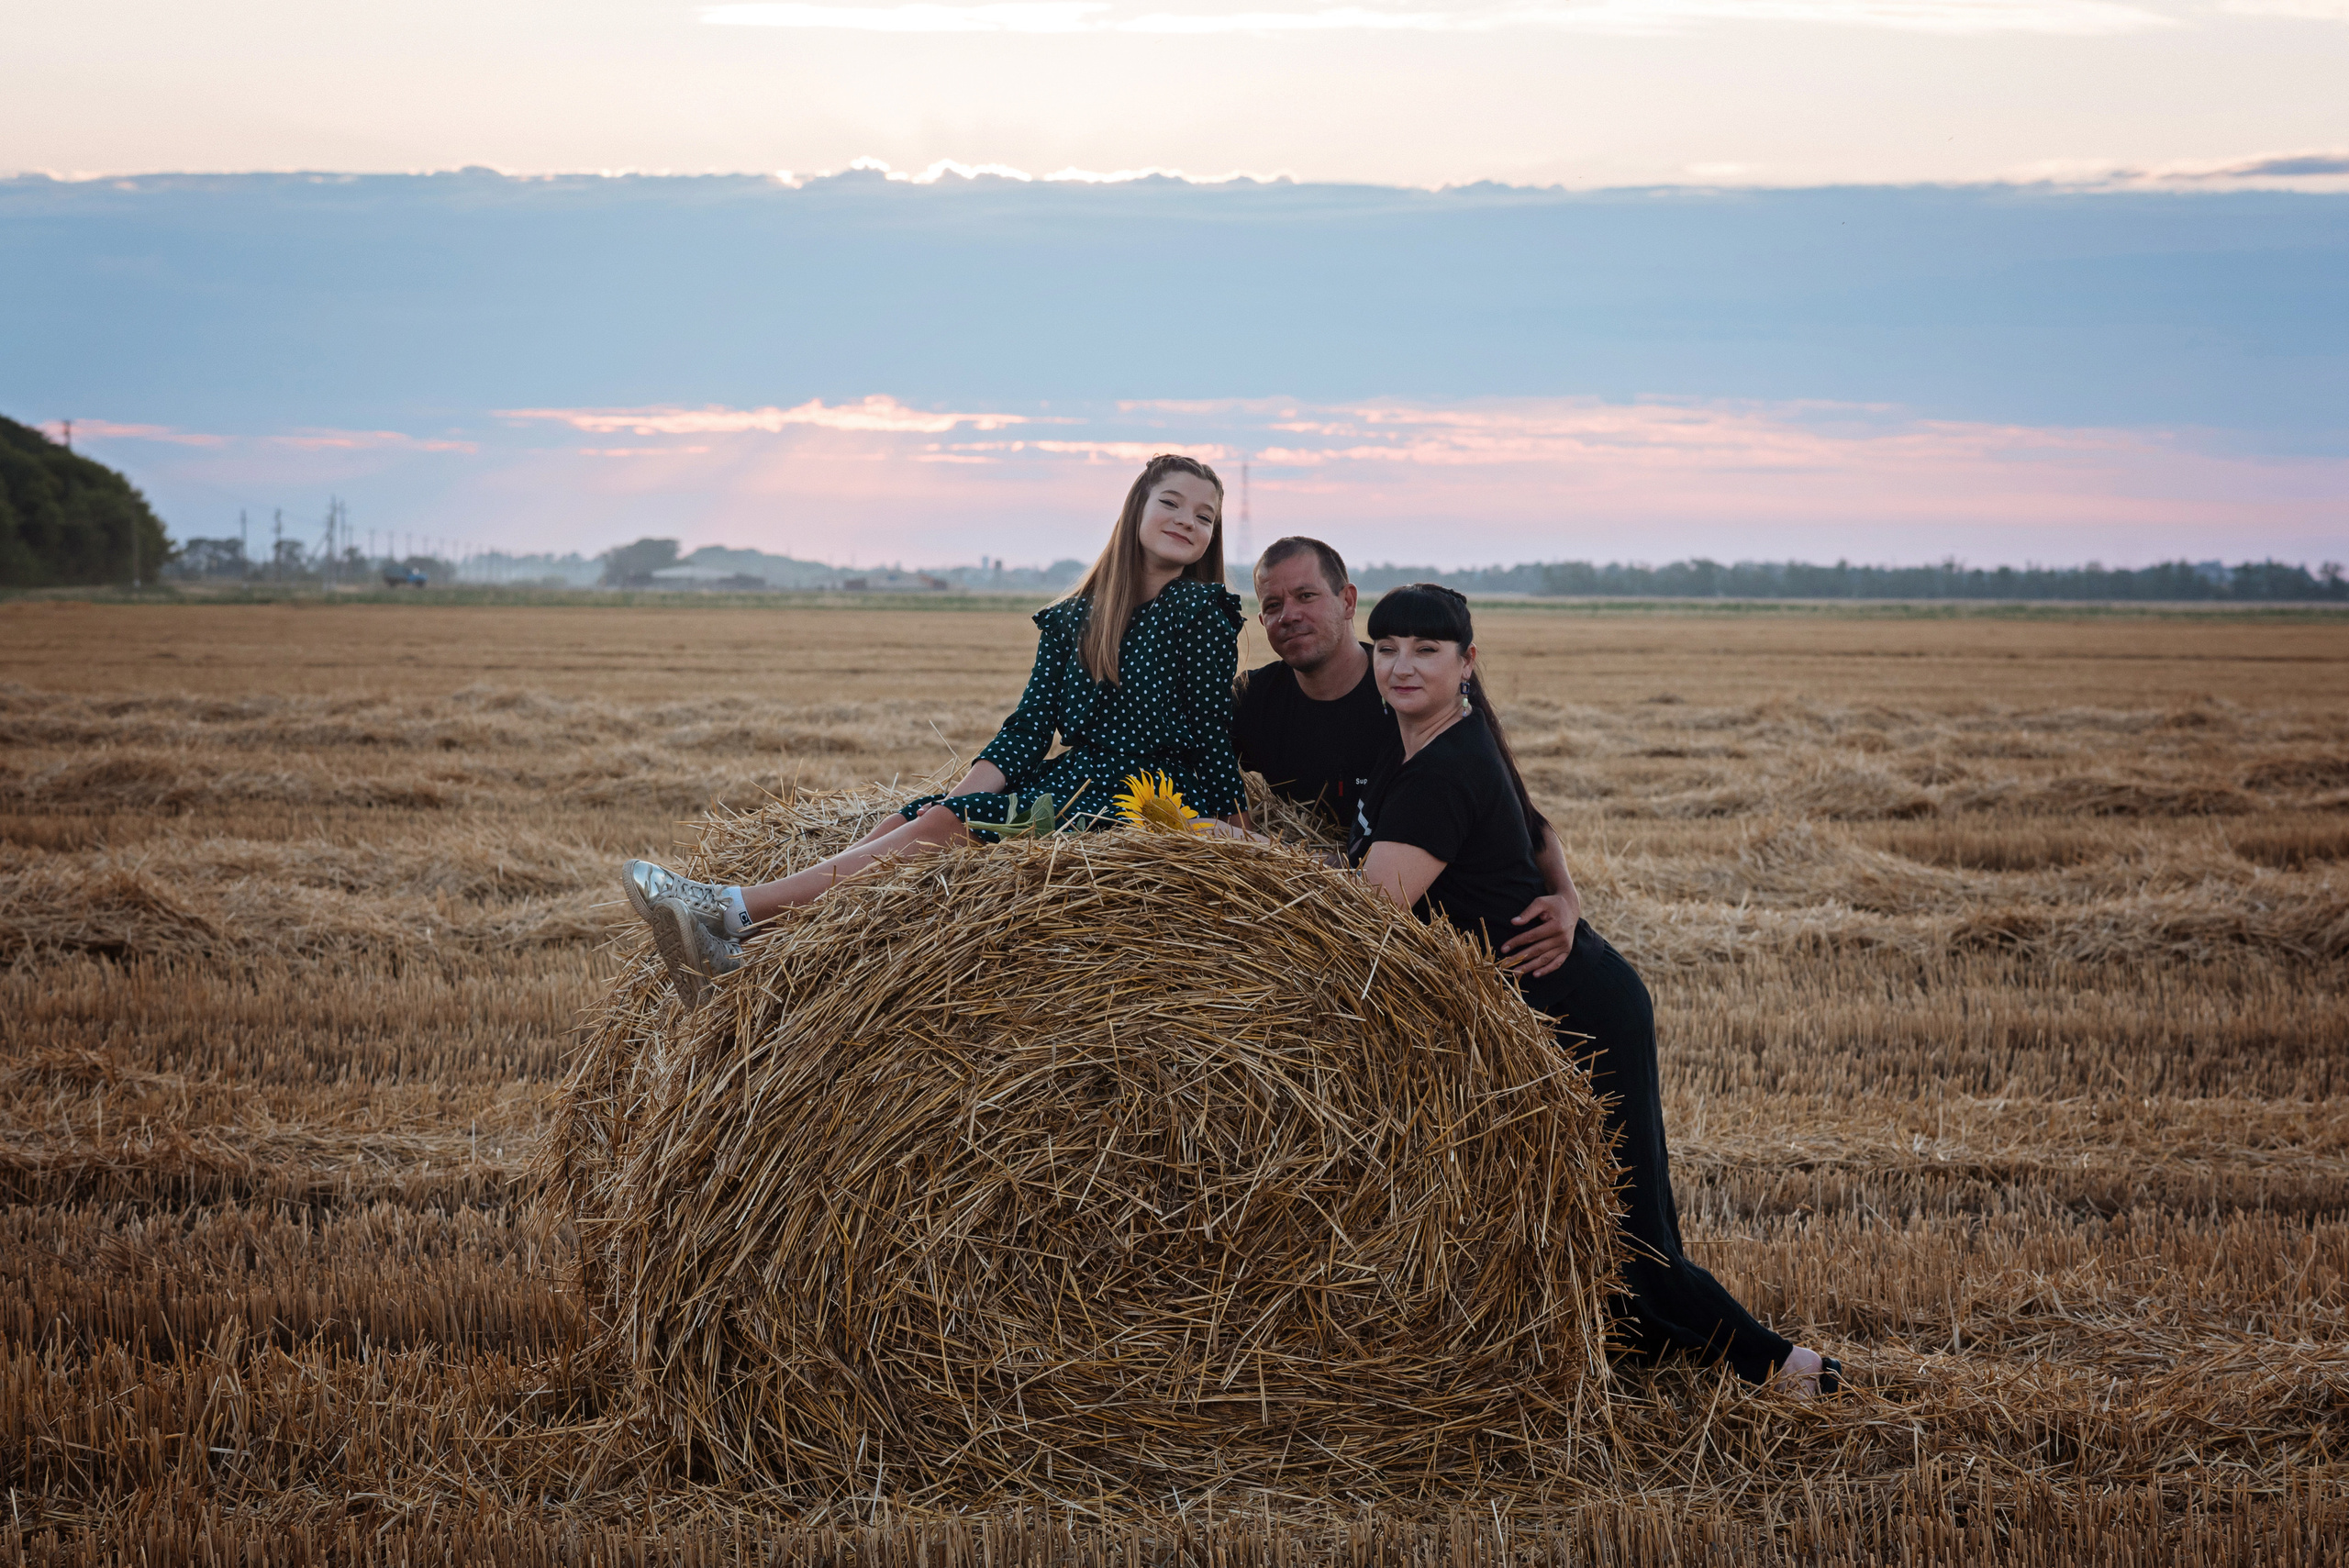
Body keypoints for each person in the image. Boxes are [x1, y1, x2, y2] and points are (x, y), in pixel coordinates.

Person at [1347, 583, 1840, 1396]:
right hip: (1539, 1008)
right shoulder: (1431, 740)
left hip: (1578, 1010)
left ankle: (1791, 1369)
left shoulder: (1443, 768)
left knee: (1628, 1232)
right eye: (1388, 647)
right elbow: (1535, 824)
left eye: (1427, 650)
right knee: (1578, 1218)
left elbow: (1367, 909)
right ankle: (1623, 1362)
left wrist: (1243, 861)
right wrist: (1566, 894)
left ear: (1467, 663)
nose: (1403, 665)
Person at [622, 452, 1249, 1005]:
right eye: (1171, 503)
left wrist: (1239, 835)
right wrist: (955, 800)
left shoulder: (1202, 612)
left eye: (1205, 516)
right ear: (1136, 509)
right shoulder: (1071, 620)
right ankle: (753, 954)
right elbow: (1026, 731)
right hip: (1075, 781)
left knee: (941, 826)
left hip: (1144, 799)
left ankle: (729, 908)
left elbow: (1213, 732)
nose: (1187, 521)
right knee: (908, 821)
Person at [1233, 536, 1581, 979]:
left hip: (1436, 943)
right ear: (1261, 619)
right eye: (1273, 605)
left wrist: (1566, 897)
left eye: (1306, 596)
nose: (1290, 615)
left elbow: (1514, 809)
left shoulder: (1411, 698)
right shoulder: (1251, 700)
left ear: (1347, 601)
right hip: (1372, 927)